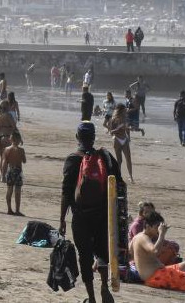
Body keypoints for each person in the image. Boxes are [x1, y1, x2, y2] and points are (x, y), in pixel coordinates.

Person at [59, 122, 124, 303]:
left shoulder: (72, 159)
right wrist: (120, 216)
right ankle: (104, 286)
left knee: (85, 256)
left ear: (77, 137)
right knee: (103, 253)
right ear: (94, 137)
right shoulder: (106, 157)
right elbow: (119, 185)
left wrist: (62, 219)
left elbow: (66, 192)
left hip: (81, 216)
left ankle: (91, 297)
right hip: (103, 216)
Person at [105, 105, 135, 183]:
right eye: (124, 110)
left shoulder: (125, 119)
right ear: (120, 111)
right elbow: (111, 132)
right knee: (119, 160)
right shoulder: (113, 120)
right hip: (117, 140)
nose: (126, 111)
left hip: (125, 139)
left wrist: (129, 138)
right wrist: (117, 130)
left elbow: (127, 130)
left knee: (128, 158)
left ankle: (131, 177)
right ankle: (118, 177)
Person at [0, 130, 26, 215]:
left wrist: (3, 175)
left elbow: (4, 163)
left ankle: (9, 209)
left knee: (9, 190)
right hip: (18, 171)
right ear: (18, 140)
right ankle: (17, 210)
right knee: (17, 191)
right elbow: (24, 161)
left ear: (11, 139)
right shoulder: (21, 150)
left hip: (10, 170)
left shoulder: (7, 149)